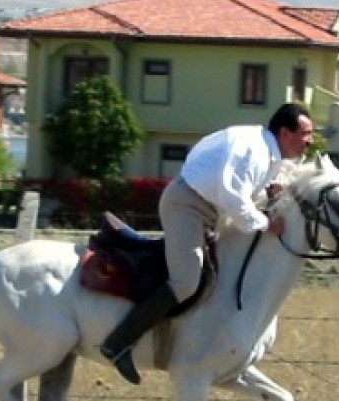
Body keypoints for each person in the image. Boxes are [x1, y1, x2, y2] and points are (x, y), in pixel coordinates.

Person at [99, 102, 316, 384]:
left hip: (207, 209)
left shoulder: (268, 151)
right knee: (186, 281)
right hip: (186, 206)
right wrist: (265, 224)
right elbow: (234, 198)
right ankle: (118, 343)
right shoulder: (254, 151)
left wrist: (270, 190)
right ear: (285, 133)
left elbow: (248, 188)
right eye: (306, 134)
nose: (310, 141)